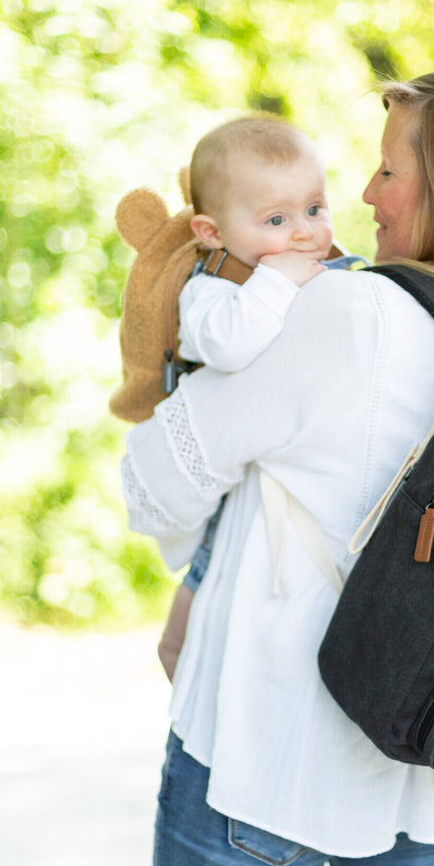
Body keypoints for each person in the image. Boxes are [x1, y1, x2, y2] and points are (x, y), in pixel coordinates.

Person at [120, 69, 434, 866]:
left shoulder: (346, 311)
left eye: (389, 169)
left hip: (271, 751)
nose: (366, 194)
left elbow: (153, 486)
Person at [156, 115, 357, 680]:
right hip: (228, 491)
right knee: (189, 626)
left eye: (315, 209)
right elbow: (229, 347)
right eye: (276, 219)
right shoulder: (211, 291)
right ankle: (188, 704)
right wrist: (280, 281)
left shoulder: (321, 268)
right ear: (212, 232)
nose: (303, 233)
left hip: (295, 485)